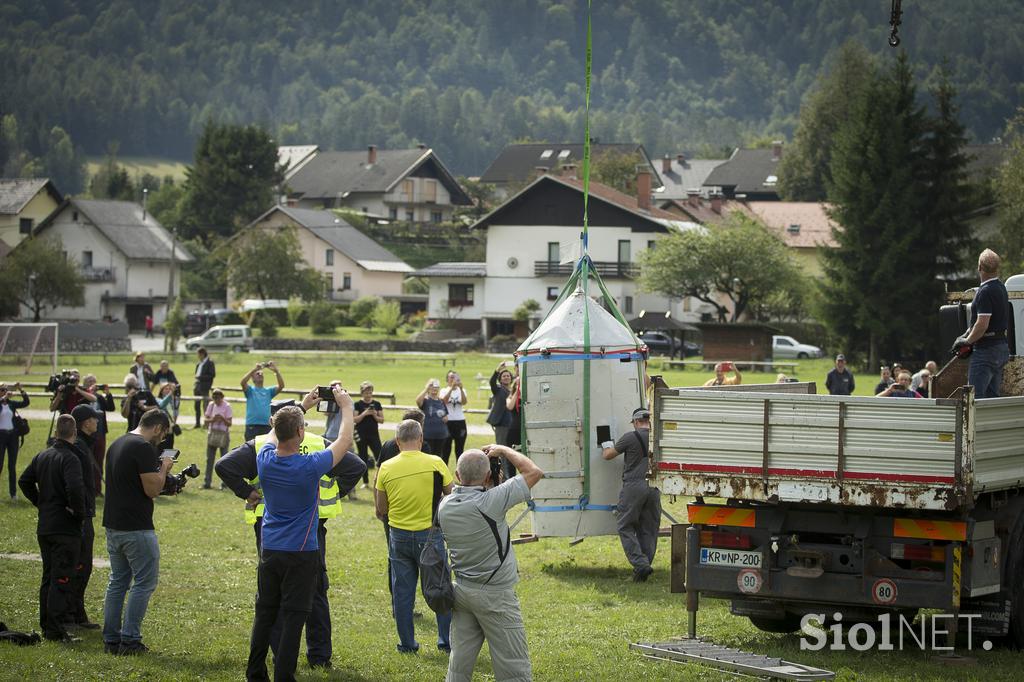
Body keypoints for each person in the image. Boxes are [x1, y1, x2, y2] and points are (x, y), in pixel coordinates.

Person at [216, 390, 365, 672]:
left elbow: (276, 431)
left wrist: (300, 408)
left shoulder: (265, 458)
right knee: (295, 616)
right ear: (300, 431)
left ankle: (255, 671)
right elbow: (345, 441)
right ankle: (285, 674)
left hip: (269, 547)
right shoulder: (310, 466)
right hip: (301, 551)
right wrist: (346, 407)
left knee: (265, 613)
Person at [439, 445, 543, 682]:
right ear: (487, 477)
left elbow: (476, 497)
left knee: (459, 664)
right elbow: (534, 472)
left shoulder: (445, 505)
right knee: (513, 667)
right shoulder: (491, 502)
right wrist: (504, 451)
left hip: (463, 591)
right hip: (495, 595)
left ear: (456, 475)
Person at [375, 419, 453, 654]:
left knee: (402, 593)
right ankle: (446, 641)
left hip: (398, 536)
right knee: (440, 587)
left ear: (397, 442)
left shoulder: (386, 467)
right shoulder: (436, 463)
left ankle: (407, 644)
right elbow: (450, 497)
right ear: (421, 439)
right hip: (430, 535)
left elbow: (381, 509)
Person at [102, 409, 174, 655]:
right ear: (157, 428)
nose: (162, 440)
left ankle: (111, 638)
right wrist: (164, 467)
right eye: (163, 434)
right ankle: (130, 640)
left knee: (118, 582)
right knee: (143, 582)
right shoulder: (142, 447)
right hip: (136, 527)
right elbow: (153, 489)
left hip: (113, 524)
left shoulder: (118, 442)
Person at [17, 415, 87, 643]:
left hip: (45, 526)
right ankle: (56, 631)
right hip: (65, 528)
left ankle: (48, 625)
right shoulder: (71, 458)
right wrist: (78, 513)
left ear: (56, 432)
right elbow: (75, 488)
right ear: (74, 432)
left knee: (48, 577)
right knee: (62, 578)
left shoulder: (43, 455)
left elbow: (24, 481)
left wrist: (41, 503)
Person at [601, 407, 662, 582]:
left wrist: (606, 443)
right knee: (649, 529)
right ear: (648, 421)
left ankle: (640, 565)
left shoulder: (630, 437)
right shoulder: (657, 438)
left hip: (634, 486)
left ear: (635, 422)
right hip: (654, 487)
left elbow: (608, 455)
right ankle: (643, 568)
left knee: (625, 525)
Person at [955, 248, 1010, 399]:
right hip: (1001, 347)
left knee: (974, 398)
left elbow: (982, 324)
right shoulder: (1001, 288)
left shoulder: (985, 291)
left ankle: (974, 424)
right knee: (992, 397)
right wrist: (965, 334)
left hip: (986, 350)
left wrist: (967, 341)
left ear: (979, 267)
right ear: (997, 268)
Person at [68, 404, 101, 629]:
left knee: (83, 565)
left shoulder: (83, 445)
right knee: (80, 565)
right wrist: (81, 511)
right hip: (80, 515)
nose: (97, 422)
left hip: (85, 512)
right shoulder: (78, 447)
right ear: (85, 423)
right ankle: (73, 614)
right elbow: (76, 484)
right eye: (94, 419)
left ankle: (77, 613)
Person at [82, 375, 115, 495]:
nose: (92, 384)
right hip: (87, 434)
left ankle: (97, 489)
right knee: (87, 462)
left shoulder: (100, 397)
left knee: (99, 461)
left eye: (94, 382)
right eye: (89, 382)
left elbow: (111, 407)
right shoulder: (83, 397)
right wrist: (88, 393)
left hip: (100, 433)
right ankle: (87, 489)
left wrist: (108, 394)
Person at [0, 381, 29, 500]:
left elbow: (26, 402)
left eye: (6, 389)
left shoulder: (11, 404)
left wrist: (21, 389)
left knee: (12, 466)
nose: (4, 391)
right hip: (1, 436)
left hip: (12, 436)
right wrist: (3, 398)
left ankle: (13, 494)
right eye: (2, 389)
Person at [241, 361, 285, 441]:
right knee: (252, 452)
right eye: (257, 374)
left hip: (266, 425)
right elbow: (243, 382)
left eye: (261, 374)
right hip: (252, 425)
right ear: (252, 378)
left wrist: (276, 371)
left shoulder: (268, 391)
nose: (260, 375)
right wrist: (254, 370)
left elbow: (281, 386)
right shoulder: (250, 390)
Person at [354, 381, 384, 489]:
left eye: (370, 392)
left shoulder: (377, 404)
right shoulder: (357, 404)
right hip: (361, 435)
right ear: (362, 393)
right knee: (363, 457)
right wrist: (364, 413)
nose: (368, 395)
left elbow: (382, 420)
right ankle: (365, 482)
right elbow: (355, 419)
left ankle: (381, 480)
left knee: (380, 456)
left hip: (374, 435)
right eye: (366, 392)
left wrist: (375, 415)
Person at [203, 389, 233, 489]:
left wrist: (222, 418)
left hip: (223, 435)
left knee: (224, 461)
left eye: (218, 398)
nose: (216, 400)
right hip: (212, 434)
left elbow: (229, 423)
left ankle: (224, 484)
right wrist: (213, 419)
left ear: (222, 397)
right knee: (209, 460)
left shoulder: (227, 406)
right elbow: (206, 421)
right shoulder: (211, 405)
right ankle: (207, 482)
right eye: (214, 398)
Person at [416, 378, 450, 463]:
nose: (434, 389)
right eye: (432, 386)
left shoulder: (441, 401)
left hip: (441, 435)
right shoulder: (426, 400)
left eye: (436, 387)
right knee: (427, 457)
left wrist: (445, 418)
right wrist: (426, 389)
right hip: (428, 435)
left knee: (438, 458)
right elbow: (418, 401)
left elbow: (446, 416)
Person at [441, 371, 469, 463]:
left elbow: (464, 402)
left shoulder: (462, 390)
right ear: (447, 379)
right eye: (451, 377)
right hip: (447, 422)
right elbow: (443, 401)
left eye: (455, 377)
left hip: (460, 422)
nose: (453, 379)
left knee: (459, 450)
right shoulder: (443, 390)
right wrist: (451, 389)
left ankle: (460, 473)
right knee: (445, 450)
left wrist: (460, 389)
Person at [485, 362, 514, 446]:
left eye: (508, 376)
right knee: (502, 448)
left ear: (511, 378)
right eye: (504, 376)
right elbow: (492, 382)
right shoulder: (498, 389)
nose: (506, 377)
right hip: (501, 424)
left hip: (512, 424)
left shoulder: (513, 390)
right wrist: (498, 369)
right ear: (500, 379)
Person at [193, 347, 216, 429]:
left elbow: (212, 375)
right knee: (196, 405)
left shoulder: (210, 363)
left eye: (198, 354)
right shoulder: (199, 363)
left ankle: (206, 424)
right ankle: (197, 423)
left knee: (206, 406)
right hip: (197, 386)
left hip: (205, 387)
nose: (197, 356)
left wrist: (200, 377)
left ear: (202, 354)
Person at [155, 382, 178, 450]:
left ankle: (168, 461)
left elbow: (175, 413)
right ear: (161, 391)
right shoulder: (157, 400)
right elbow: (161, 405)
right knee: (160, 451)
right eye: (166, 389)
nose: (168, 390)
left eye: (169, 389)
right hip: (161, 432)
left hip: (170, 431)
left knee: (169, 451)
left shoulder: (171, 401)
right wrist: (171, 393)